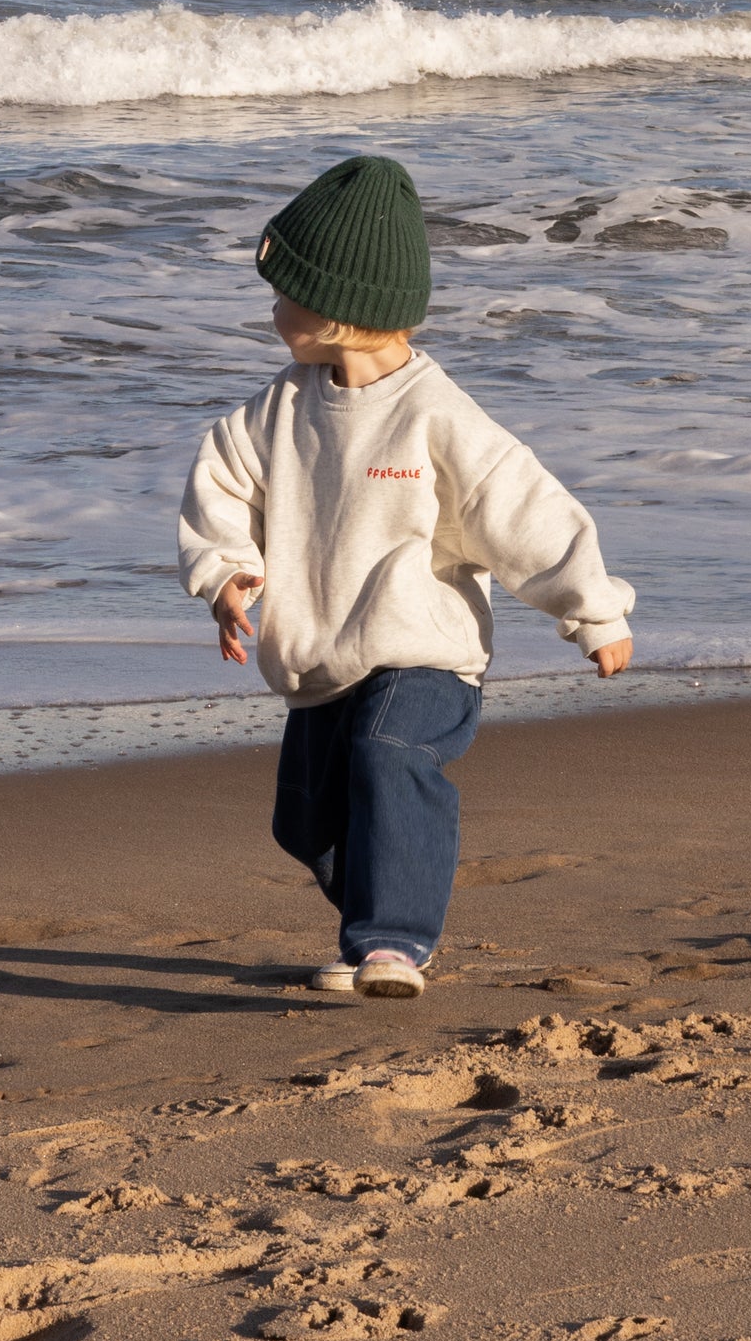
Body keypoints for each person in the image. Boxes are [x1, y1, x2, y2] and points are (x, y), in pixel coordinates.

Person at [178, 153, 635, 1000]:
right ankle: (377, 921)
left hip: (425, 650)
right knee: (305, 822)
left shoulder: (437, 415)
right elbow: (224, 480)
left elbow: (524, 509)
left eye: (288, 295)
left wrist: (594, 611)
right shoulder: (281, 407)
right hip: (319, 657)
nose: (274, 308)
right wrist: (228, 574)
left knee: (389, 751)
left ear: (346, 312)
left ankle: (393, 941)